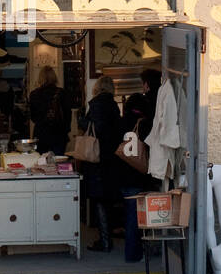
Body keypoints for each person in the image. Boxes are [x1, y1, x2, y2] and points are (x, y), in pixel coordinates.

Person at [119, 70, 163, 263]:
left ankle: (132, 253)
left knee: (130, 215)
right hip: (140, 174)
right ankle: (136, 253)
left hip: (124, 174)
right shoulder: (145, 123)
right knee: (141, 217)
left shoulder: (122, 122)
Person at [79, 76, 124, 252]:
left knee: (99, 200)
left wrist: (81, 120)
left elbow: (96, 128)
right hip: (111, 157)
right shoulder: (113, 105)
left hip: (97, 158)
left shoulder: (96, 104)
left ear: (97, 88)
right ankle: (107, 237)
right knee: (107, 199)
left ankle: (105, 241)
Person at [28, 65, 70, 155]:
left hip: (41, 134)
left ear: (40, 77)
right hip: (59, 134)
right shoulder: (62, 93)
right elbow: (67, 115)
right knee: (58, 160)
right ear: (54, 77)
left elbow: (33, 117)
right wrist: (66, 130)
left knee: (41, 161)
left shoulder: (34, 94)